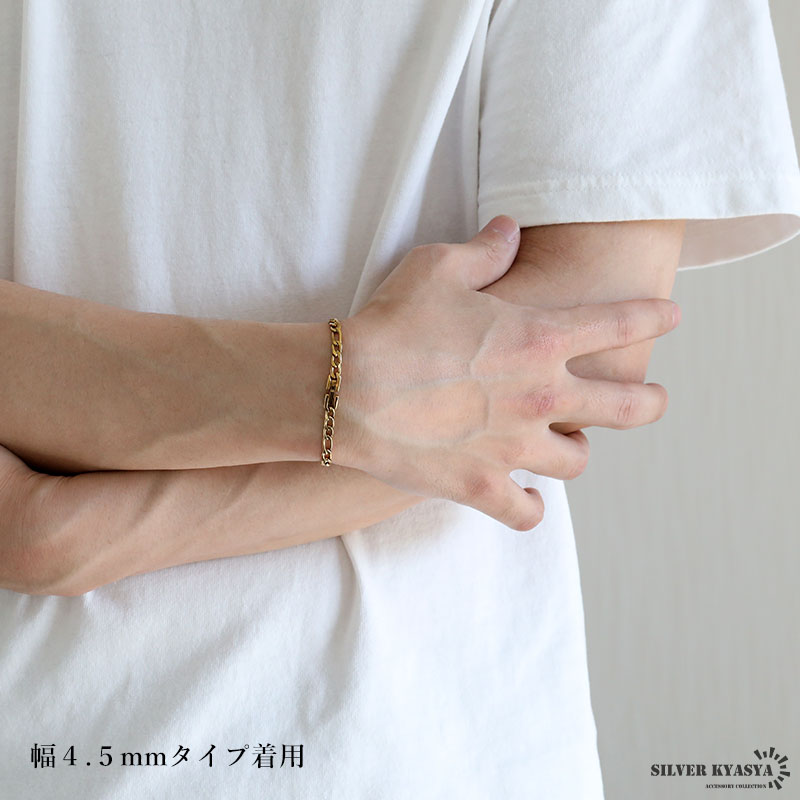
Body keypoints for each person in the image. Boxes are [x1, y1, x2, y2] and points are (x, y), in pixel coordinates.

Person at [1, 1, 798, 798]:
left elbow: (576, 349)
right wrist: (344, 383)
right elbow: (547, 356)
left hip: (402, 733)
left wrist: (84, 530)